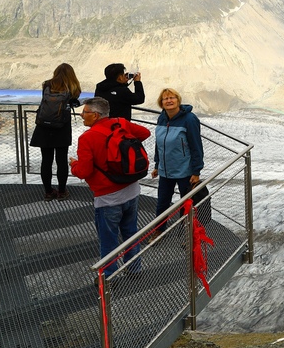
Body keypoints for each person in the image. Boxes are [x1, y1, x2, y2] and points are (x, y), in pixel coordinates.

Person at [69, 97, 151, 278]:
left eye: (85, 112)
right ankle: (135, 270)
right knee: (130, 232)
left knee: (109, 240)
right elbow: (145, 133)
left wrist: (73, 165)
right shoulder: (121, 123)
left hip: (107, 197)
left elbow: (83, 171)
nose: (82, 115)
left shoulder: (87, 138)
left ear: (95, 115)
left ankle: (109, 277)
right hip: (132, 190)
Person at [152, 88, 204, 229]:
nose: (169, 101)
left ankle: (187, 235)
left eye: (172, 97)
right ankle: (159, 230)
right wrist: (157, 165)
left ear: (178, 100)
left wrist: (196, 171)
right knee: (162, 203)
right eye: (165, 99)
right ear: (161, 103)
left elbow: (195, 145)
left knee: (186, 204)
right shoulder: (162, 118)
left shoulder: (189, 119)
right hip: (165, 171)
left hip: (184, 171)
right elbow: (159, 144)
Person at [29, 63, 82, 200]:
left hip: (44, 126)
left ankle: (48, 192)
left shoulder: (47, 84)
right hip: (61, 127)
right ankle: (62, 191)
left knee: (46, 160)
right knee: (61, 160)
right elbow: (74, 101)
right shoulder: (72, 86)